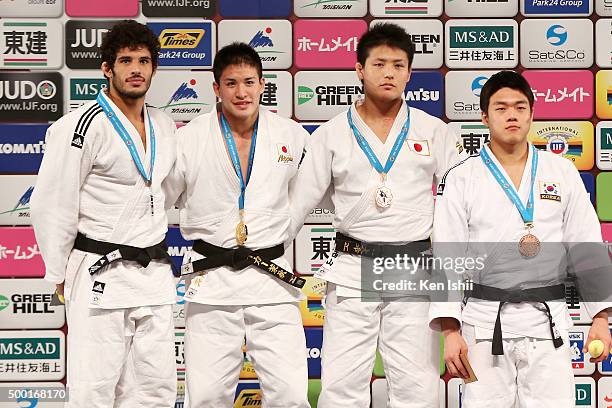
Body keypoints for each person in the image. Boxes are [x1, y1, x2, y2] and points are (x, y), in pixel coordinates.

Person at [288, 23, 466, 407]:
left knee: (417, 386)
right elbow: (296, 207)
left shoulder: (435, 131)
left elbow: (461, 204)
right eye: (380, 63)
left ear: (409, 72)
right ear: (359, 70)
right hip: (354, 266)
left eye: (398, 65)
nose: (389, 73)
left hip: (413, 266)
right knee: (341, 386)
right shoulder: (330, 135)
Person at [431, 70, 612, 408]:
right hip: (484, 324)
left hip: (549, 325)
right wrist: (450, 331)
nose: (511, 115)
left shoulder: (561, 172)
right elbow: (447, 258)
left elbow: (586, 246)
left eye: (519, 106)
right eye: (500, 108)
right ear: (485, 117)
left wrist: (600, 318)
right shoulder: (461, 177)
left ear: (531, 113)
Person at [30, 20, 178, 408]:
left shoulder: (164, 125)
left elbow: (166, 190)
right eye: (125, 60)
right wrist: (59, 273)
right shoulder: (80, 126)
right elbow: (52, 203)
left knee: (155, 390)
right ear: (107, 69)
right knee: (93, 391)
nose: (136, 69)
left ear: (153, 68)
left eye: (144, 60)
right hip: (99, 271)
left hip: (153, 274)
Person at [163, 42, 310, 407]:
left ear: (263, 84)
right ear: (216, 88)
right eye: (231, 83)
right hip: (212, 283)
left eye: (248, 82)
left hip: (272, 281)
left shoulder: (291, 136)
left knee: (291, 395)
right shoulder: (189, 138)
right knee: (207, 396)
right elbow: (163, 199)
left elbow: (314, 193)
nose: (241, 93)